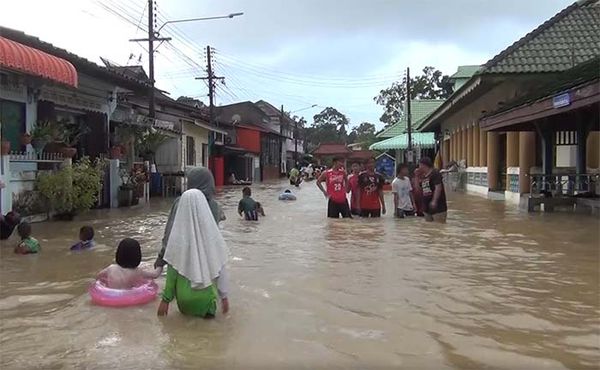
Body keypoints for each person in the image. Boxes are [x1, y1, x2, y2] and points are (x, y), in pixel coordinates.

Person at [157, 189, 229, 317]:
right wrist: (224, 297)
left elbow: (172, 273)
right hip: (207, 300)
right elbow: (220, 269)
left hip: (184, 302)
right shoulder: (212, 238)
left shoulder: (177, 240)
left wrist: (165, 300)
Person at [155, 167, 225, 269]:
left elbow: (170, 234)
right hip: (208, 262)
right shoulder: (216, 206)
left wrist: (161, 258)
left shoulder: (181, 202)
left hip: (183, 261)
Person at [418, 157, 448, 223]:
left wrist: (434, 201)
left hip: (438, 207)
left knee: (439, 227)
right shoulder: (423, 176)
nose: (419, 167)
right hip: (426, 207)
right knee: (429, 229)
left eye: (419, 165)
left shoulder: (435, 173)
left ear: (423, 165)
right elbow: (421, 189)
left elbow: (438, 187)